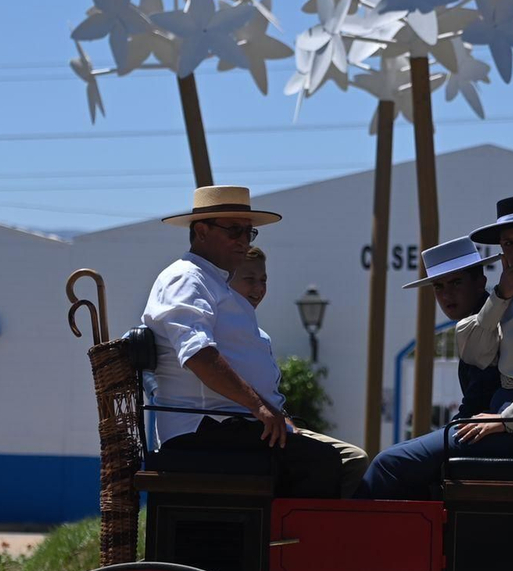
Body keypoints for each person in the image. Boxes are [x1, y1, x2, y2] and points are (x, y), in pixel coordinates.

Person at [358, 196, 513, 500]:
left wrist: (506, 418)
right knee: (397, 460)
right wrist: (501, 294)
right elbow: (477, 352)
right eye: (508, 245)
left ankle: (354, 543)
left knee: (390, 464)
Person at [143, 186, 363, 498]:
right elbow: (197, 355)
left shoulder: (214, 283)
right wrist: (259, 406)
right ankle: (286, 544)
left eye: (249, 232)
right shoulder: (186, 278)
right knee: (320, 462)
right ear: (201, 231)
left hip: (229, 425)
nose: (244, 241)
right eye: (234, 231)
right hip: (202, 429)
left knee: (342, 461)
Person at [228, 244, 367, 496]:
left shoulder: (259, 336)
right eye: (249, 279)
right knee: (347, 460)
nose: (259, 288)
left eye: (264, 280)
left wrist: (285, 419)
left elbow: (268, 393)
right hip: (249, 430)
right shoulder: (224, 328)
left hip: (274, 426)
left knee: (355, 459)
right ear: (227, 280)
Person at [401, 236, 502, 419]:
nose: (446, 295)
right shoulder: (479, 316)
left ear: (479, 283)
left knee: (399, 450)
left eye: (456, 283)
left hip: (495, 431)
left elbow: (479, 400)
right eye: (438, 286)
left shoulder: (487, 322)